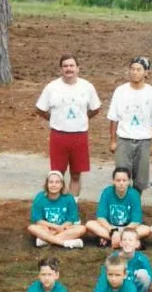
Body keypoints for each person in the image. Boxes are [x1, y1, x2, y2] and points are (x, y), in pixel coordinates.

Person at [35, 54, 102, 197]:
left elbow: (96, 108)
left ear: (78, 68)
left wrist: (84, 118)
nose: (68, 69)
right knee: (57, 175)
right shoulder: (52, 87)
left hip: (79, 135)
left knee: (76, 174)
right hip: (59, 135)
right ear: (60, 69)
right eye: (65, 66)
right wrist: (53, 119)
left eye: (72, 66)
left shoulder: (87, 87)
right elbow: (40, 109)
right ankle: (57, 205)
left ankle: (73, 205)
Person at [107, 56, 152, 194]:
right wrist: (113, 140)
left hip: (144, 141)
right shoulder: (121, 91)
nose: (134, 72)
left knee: (140, 179)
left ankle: (136, 205)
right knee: (122, 175)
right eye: (132, 69)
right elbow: (114, 118)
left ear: (146, 72)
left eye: (139, 69)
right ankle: (122, 204)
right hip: (124, 139)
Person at [85, 167, 150, 247]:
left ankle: (109, 239)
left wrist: (122, 232)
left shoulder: (134, 194)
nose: (121, 183)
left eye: (124, 180)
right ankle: (129, 241)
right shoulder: (107, 192)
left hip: (128, 228)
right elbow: (101, 217)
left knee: (146, 230)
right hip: (110, 227)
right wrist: (113, 231)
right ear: (113, 181)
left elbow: (136, 221)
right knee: (90, 224)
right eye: (118, 180)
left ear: (129, 182)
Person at [27, 170, 86, 249]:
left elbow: (71, 220)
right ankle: (65, 243)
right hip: (47, 228)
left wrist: (60, 228)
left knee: (82, 228)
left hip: (64, 228)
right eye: (51, 182)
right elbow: (38, 220)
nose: (54, 185)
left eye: (57, 182)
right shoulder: (40, 197)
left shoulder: (68, 198)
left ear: (62, 185)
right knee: (32, 228)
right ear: (47, 184)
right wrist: (54, 227)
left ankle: (45, 240)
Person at [100, 228, 152, 292]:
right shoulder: (113, 258)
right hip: (116, 289)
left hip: (134, 289)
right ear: (120, 243)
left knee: (144, 275)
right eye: (124, 240)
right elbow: (103, 279)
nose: (127, 242)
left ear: (137, 244)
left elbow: (150, 282)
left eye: (130, 240)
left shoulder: (142, 259)